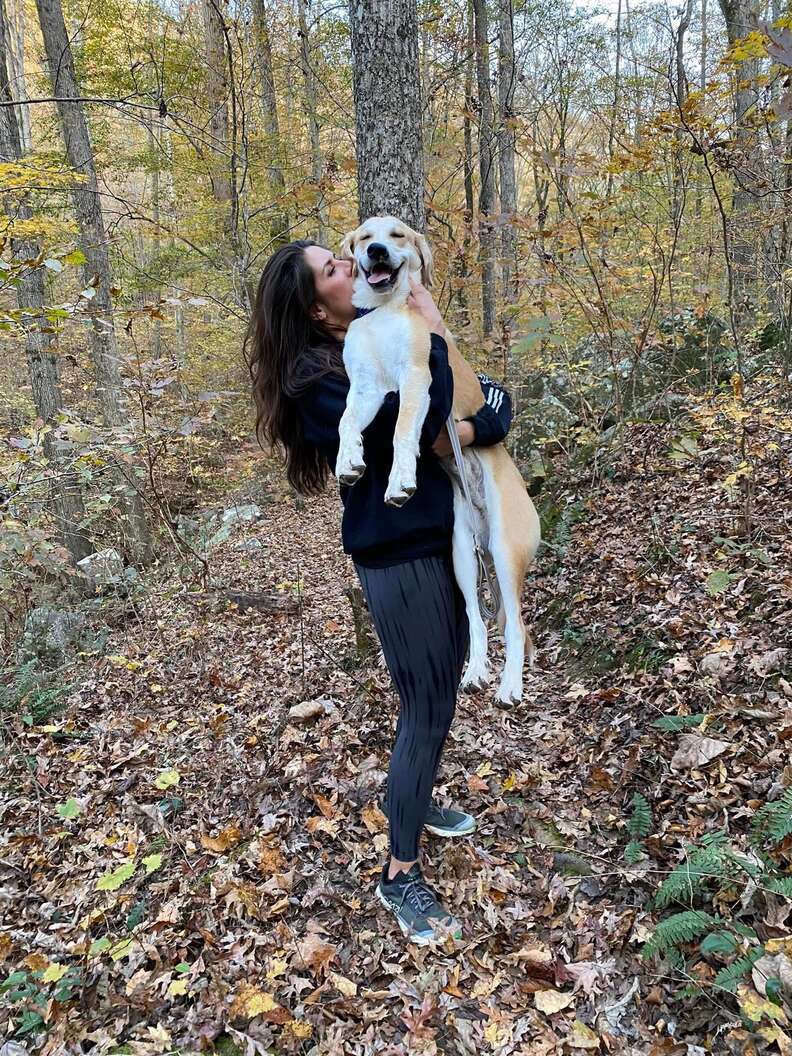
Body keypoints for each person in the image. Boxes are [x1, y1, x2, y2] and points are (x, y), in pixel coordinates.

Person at [245, 238, 513, 945]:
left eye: (343, 258)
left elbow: (449, 392)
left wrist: (468, 401)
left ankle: (416, 799)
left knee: (441, 688)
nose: (350, 269)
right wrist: (481, 423)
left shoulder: (373, 335)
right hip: (397, 553)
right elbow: (422, 428)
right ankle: (399, 873)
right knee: (426, 702)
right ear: (314, 306)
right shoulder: (314, 380)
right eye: (332, 270)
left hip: (437, 534)